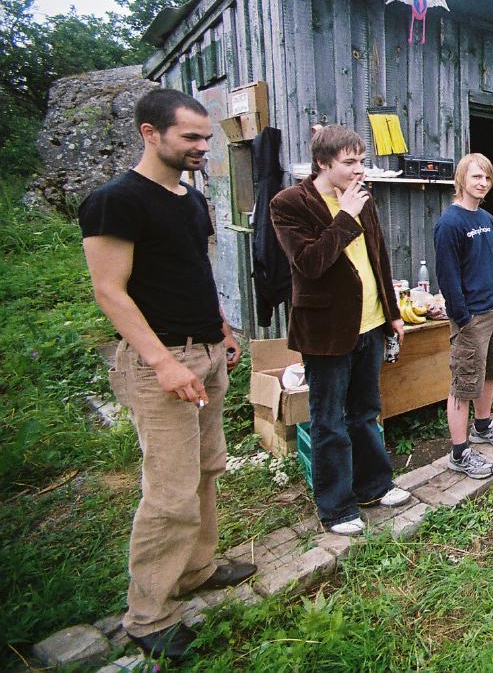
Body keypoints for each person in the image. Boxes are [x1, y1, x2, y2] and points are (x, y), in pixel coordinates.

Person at [80, 88, 256, 662]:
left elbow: (192, 271)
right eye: (191, 137)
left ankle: (196, 569)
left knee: (206, 469)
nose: (203, 146)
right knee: (169, 490)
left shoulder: (190, 199)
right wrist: (162, 362)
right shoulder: (116, 202)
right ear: (150, 133)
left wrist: (222, 329)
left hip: (206, 352)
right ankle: (148, 614)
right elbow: (110, 291)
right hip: (163, 363)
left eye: (206, 136)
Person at [270, 126, 412, 536]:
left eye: (361, 161)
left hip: (370, 323)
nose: (359, 170)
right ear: (322, 162)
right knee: (329, 420)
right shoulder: (289, 203)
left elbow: (378, 255)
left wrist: (392, 312)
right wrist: (345, 216)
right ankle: (335, 508)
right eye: (349, 162)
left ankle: (374, 486)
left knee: (365, 413)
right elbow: (310, 264)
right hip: (326, 331)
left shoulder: (361, 196)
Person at [434, 153, 493, 478]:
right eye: (476, 177)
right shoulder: (450, 223)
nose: (482, 183)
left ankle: (483, 427)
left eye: (487, 178)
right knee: (463, 384)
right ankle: (459, 453)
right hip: (471, 317)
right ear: (461, 180)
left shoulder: (487, 218)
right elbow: (448, 277)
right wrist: (463, 317)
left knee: (490, 373)